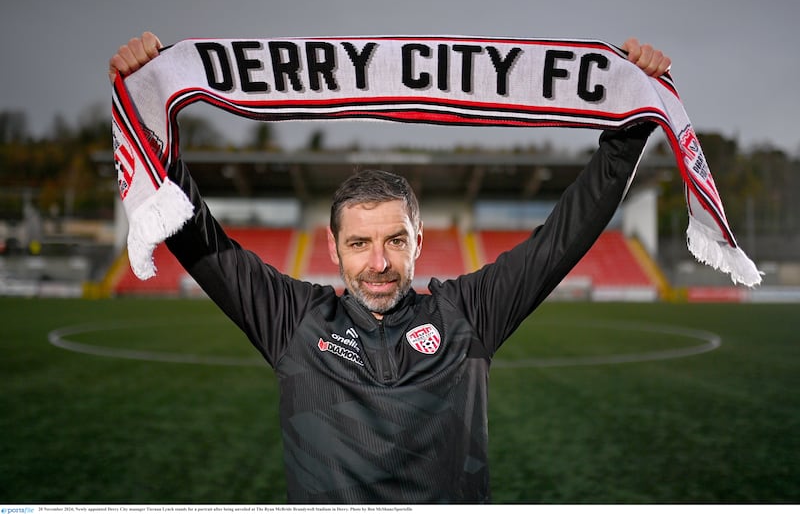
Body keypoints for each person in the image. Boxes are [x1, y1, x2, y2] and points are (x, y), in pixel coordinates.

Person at [109, 32, 670, 504]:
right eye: (359, 244)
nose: (378, 263)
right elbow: (196, 235)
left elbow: (564, 237)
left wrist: (629, 126)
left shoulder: (466, 314)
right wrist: (151, 103)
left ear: (419, 241)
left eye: (395, 240)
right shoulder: (293, 319)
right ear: (333, 249)